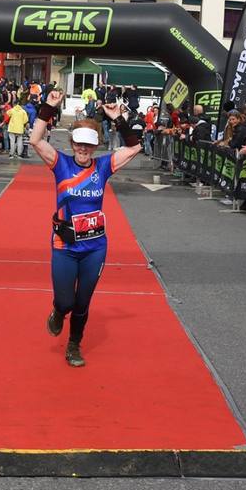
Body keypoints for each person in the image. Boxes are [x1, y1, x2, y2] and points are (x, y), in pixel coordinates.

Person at [29, 88, 144, 368]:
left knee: (82, 303)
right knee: (66, 302)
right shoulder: (61, 164)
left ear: (95, 147)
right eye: (79, 144)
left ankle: (73, 345)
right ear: (72, 143)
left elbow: (135, 147)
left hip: (95, 247)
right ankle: (58, 312)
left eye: (88, 146)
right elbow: (35, 140)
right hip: (65, 247)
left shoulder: (102, 167)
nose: (83, 150)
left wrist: (119, 119)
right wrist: (48, 106)